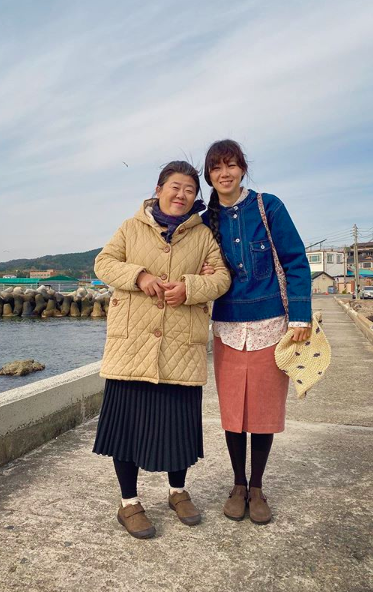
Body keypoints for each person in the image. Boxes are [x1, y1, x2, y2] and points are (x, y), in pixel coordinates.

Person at [93, 160, 231, 539]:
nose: (181, 194)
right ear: (158, 189)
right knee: (127, 427)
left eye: (189, 189)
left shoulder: (203, 235)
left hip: (180, 345)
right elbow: (103, 263)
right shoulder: (130, 226)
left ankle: (177, 491)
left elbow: (221, 277)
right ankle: (128, 503)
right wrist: (139, 276)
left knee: (179, 425)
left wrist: (190, 287)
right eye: (175, 186)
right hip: (132, 344)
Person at [201, 139, 312, 524]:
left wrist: (300, 316)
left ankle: (258, 487)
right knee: (233, 411)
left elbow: (296, 260)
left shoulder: (269, 207)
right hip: (227, 327)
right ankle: (237, 484)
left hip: (271, 325)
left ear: (242, 169)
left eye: (230, 165)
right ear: (209, 175)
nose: (224, 173)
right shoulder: (205, 219)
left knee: (263, 412)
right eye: (216, 168)